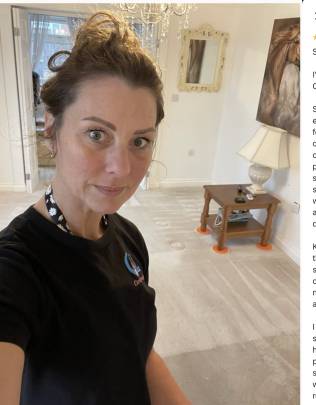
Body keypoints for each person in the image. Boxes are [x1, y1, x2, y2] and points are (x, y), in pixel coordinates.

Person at [0, 12, 190, 405]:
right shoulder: (15, 268)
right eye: (96, 134)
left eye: (140, 141)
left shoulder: (129, 238)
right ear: (52, 129)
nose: (122, 168)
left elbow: (139, 353)